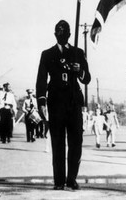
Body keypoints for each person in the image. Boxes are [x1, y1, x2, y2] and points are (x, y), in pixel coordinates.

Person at [36, 20, 91, 190]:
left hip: (73, 102)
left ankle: (71, 178)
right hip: (56, 103)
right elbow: (41, 79)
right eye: (58, 32)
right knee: (57, 142)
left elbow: (87, 78)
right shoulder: (47, 54)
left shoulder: (78, 53)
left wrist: (79, 70)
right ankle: (59, 180)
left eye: (64, 32)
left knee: (76, 142)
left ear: (69, 34)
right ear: (55, 35)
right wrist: (41, 101)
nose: (61, 34)